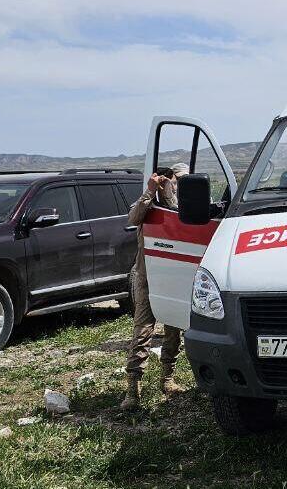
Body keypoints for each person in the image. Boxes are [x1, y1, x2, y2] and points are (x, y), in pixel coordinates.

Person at [120, 162, 190, 410]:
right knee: (142, 331)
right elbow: (133, 217)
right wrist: (151, 191)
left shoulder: (181, 206)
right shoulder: (148, 205)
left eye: (179, 180)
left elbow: (181, 224)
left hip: (173, 277)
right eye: (174, 179)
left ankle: (167, 378)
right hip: (147, 277)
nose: (174, 183)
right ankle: (133, 390)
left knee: (173, 331)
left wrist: (169, 194)